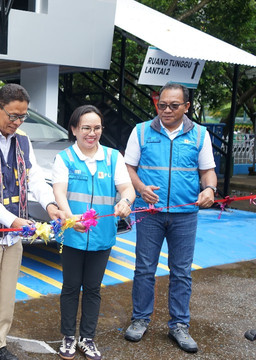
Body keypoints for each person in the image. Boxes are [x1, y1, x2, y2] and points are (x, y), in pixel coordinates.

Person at [0, 83, 66, 360]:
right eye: (12, 116)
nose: (17, 123)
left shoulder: (22, 140)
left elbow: (33, 178)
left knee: (6, 296)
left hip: (13, 237)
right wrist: (11, 220)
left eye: (23, 117)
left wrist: (50, 205)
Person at [123, 82, 217, 353]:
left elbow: (207, 171)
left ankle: (179, 325)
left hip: (185, 215)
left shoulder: (200, 134)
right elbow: (127, 166)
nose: (166, 110)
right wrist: (140, 188)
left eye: (173, 106)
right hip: (149, 214)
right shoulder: (141, 131)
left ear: (186, 107)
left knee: (181, 272)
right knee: (144, 269)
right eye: (161, 104)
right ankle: (140, 319)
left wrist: (209, 188)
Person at [52, 105, 135, 360]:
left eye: (97, 128)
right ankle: (68, 336)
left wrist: (126, 202)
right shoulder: (64, 158)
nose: (92, 133)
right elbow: (59, 193)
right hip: (73, 234)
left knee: (93, 288)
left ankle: (87, 338)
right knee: (70, 287)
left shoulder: (113, 158)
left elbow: (127, 189)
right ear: (74, 129)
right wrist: (69, 217)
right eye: (86, 128)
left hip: (102, 237)